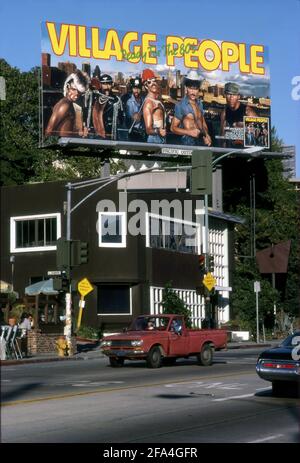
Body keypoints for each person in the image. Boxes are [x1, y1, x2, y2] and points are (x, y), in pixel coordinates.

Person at [171, 70, 211, 146]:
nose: (193, 92)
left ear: (198, 89)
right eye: (191, 88)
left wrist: (207, 135)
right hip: (188, 142)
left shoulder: (200, 104)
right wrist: (189, 132)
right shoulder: (181, 105)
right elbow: (173, 128)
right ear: (186, 88)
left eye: (195, 89)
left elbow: (203, 123)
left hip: (200, 142)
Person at [45, 70, 90, 138]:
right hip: (61, 145)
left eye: (79, 92)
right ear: (67, 86)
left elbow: (66, 129)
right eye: (73, 89)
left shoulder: (70, 104)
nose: (76, 94)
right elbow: (48, 130)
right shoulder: (65, 105)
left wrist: (80, 132)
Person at [92, 74, 123, 140]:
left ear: (112, 85)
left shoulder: (117, 100)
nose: (106, 87)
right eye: (104, 84)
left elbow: (121, 119)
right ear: (100, 85)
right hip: (97, 133)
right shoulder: (94, 99)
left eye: (108, 84)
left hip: (112, 132)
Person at [142, 69, 166, 144]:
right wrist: (158, 131)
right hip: (155, 139)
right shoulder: (149, 103)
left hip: (161, 137)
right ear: (146, 86)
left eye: (154, 81)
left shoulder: (157, 100)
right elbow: (148, 130)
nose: (153, 84)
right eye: (149, 82)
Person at [124, 77, 146, 142]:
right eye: (134, 88)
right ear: (132, 89)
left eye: (138, 88)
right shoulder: (129, 102)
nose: (136, 91)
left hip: (144, 131)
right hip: (134, 132)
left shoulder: (144, 99)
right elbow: (131, 119)